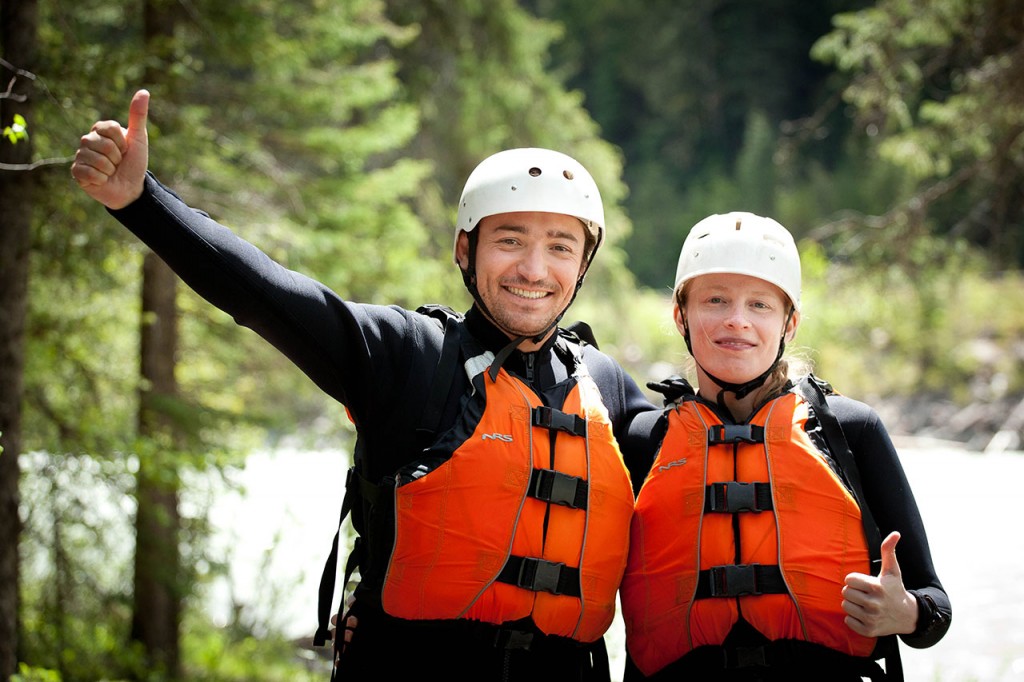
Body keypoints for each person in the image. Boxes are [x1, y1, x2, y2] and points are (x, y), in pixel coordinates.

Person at [71, 90, 658, 681]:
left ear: (583, 264)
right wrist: (143, 203)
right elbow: (265, 293)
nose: (534, 269)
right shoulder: (409, 356)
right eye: (510, 240)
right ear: (465, 248)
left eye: (560, 247)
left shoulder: (607, 387)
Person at [619, 212, 951, 681]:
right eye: (716, 300)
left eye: (760, 305)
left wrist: (909, 614)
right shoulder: (642, 440)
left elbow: (935, 604)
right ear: (681, 316)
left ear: (789, 323)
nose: (737, 321)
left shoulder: (850, 429)